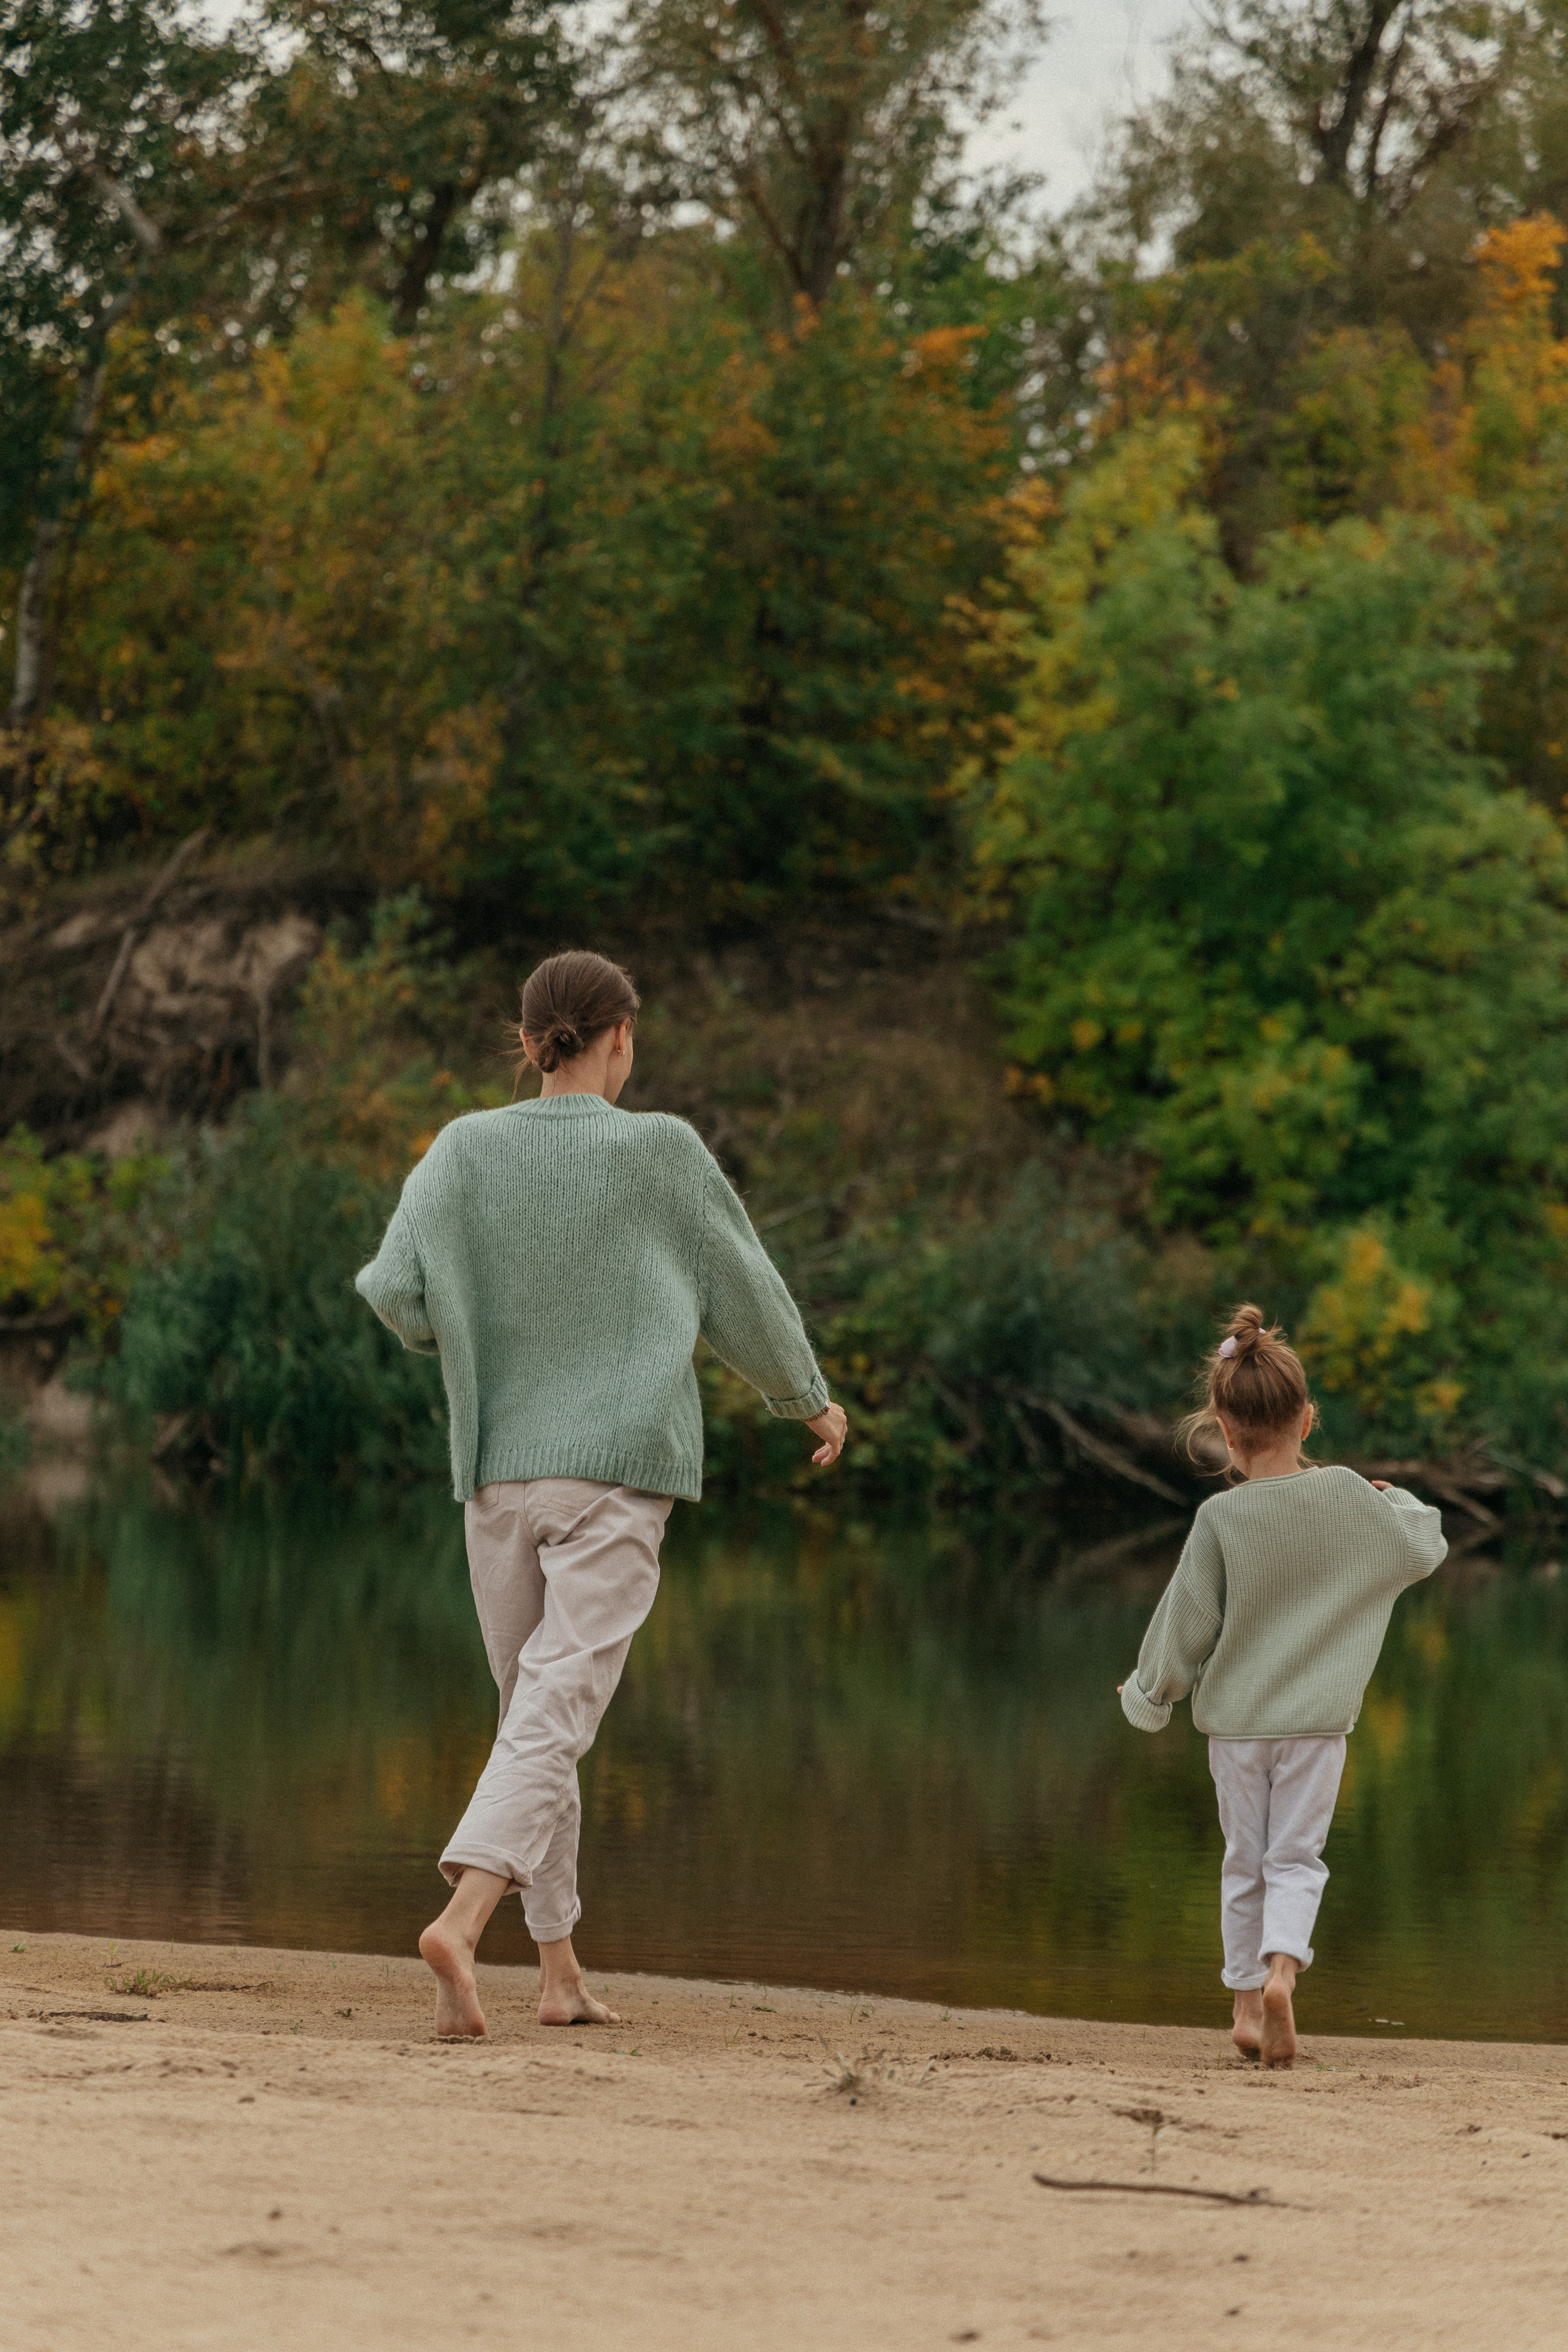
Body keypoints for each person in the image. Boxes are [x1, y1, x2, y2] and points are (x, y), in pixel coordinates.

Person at [355, 949, 846, 2039]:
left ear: (530, 1042)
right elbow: (744, 1287)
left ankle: (560, 1973)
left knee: (537, 1720)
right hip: (615, 1474)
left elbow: (394, 1291)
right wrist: (806, 1399)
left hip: (497, 1478)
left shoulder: (461, 1147)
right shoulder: (661, 1149)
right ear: (620, 1036)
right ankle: (463, 1918)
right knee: (556, 1712)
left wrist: (469, 1327)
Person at [1117, 1304, 1446, 2068]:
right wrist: (1393, 1497)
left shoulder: (1220, 1518)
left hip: (1237, 1729)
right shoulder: (1349, 1496)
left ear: (1224, 1434)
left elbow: (1186, 1620)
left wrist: (1150, 1693)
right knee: (1296, 1861)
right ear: (1306, 1420)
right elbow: (1423, 1546)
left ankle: (1243, 2009)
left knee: (1244, 1860)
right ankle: (1281, 1976)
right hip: (1316, 1727)